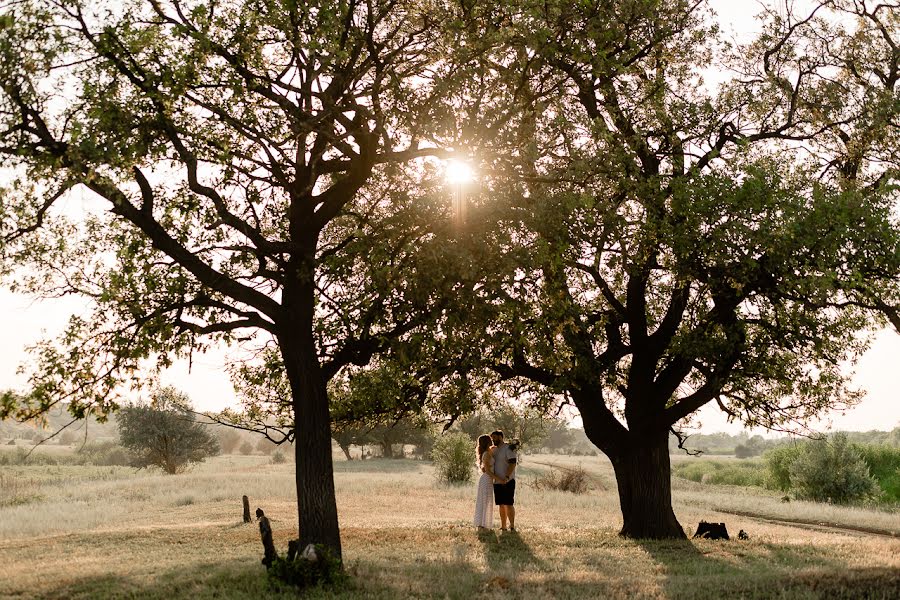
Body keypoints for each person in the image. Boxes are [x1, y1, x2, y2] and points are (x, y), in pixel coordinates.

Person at [490, 430, 518, 531]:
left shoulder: (508, 448)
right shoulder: (494, 450)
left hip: (508, 481)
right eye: (492, 437)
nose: (493, 439)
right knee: (501, 505)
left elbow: (512, 463)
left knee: (509, 504)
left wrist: (506, 477)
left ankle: (512, 525)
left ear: (501, 437)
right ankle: (503, 526)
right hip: (497, 481)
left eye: (495, 437)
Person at [473, 434, 502, 529]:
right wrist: (499, 479)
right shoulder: (486, 454)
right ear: (487, 442)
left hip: (488, 480)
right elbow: (488, 471)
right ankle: (483, 523)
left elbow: (496, 447)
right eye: (490, 439)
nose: (492, 440)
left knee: (487, 501)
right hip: (486, 479)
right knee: (485, 501)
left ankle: (484, 523)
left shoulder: (489, 451)